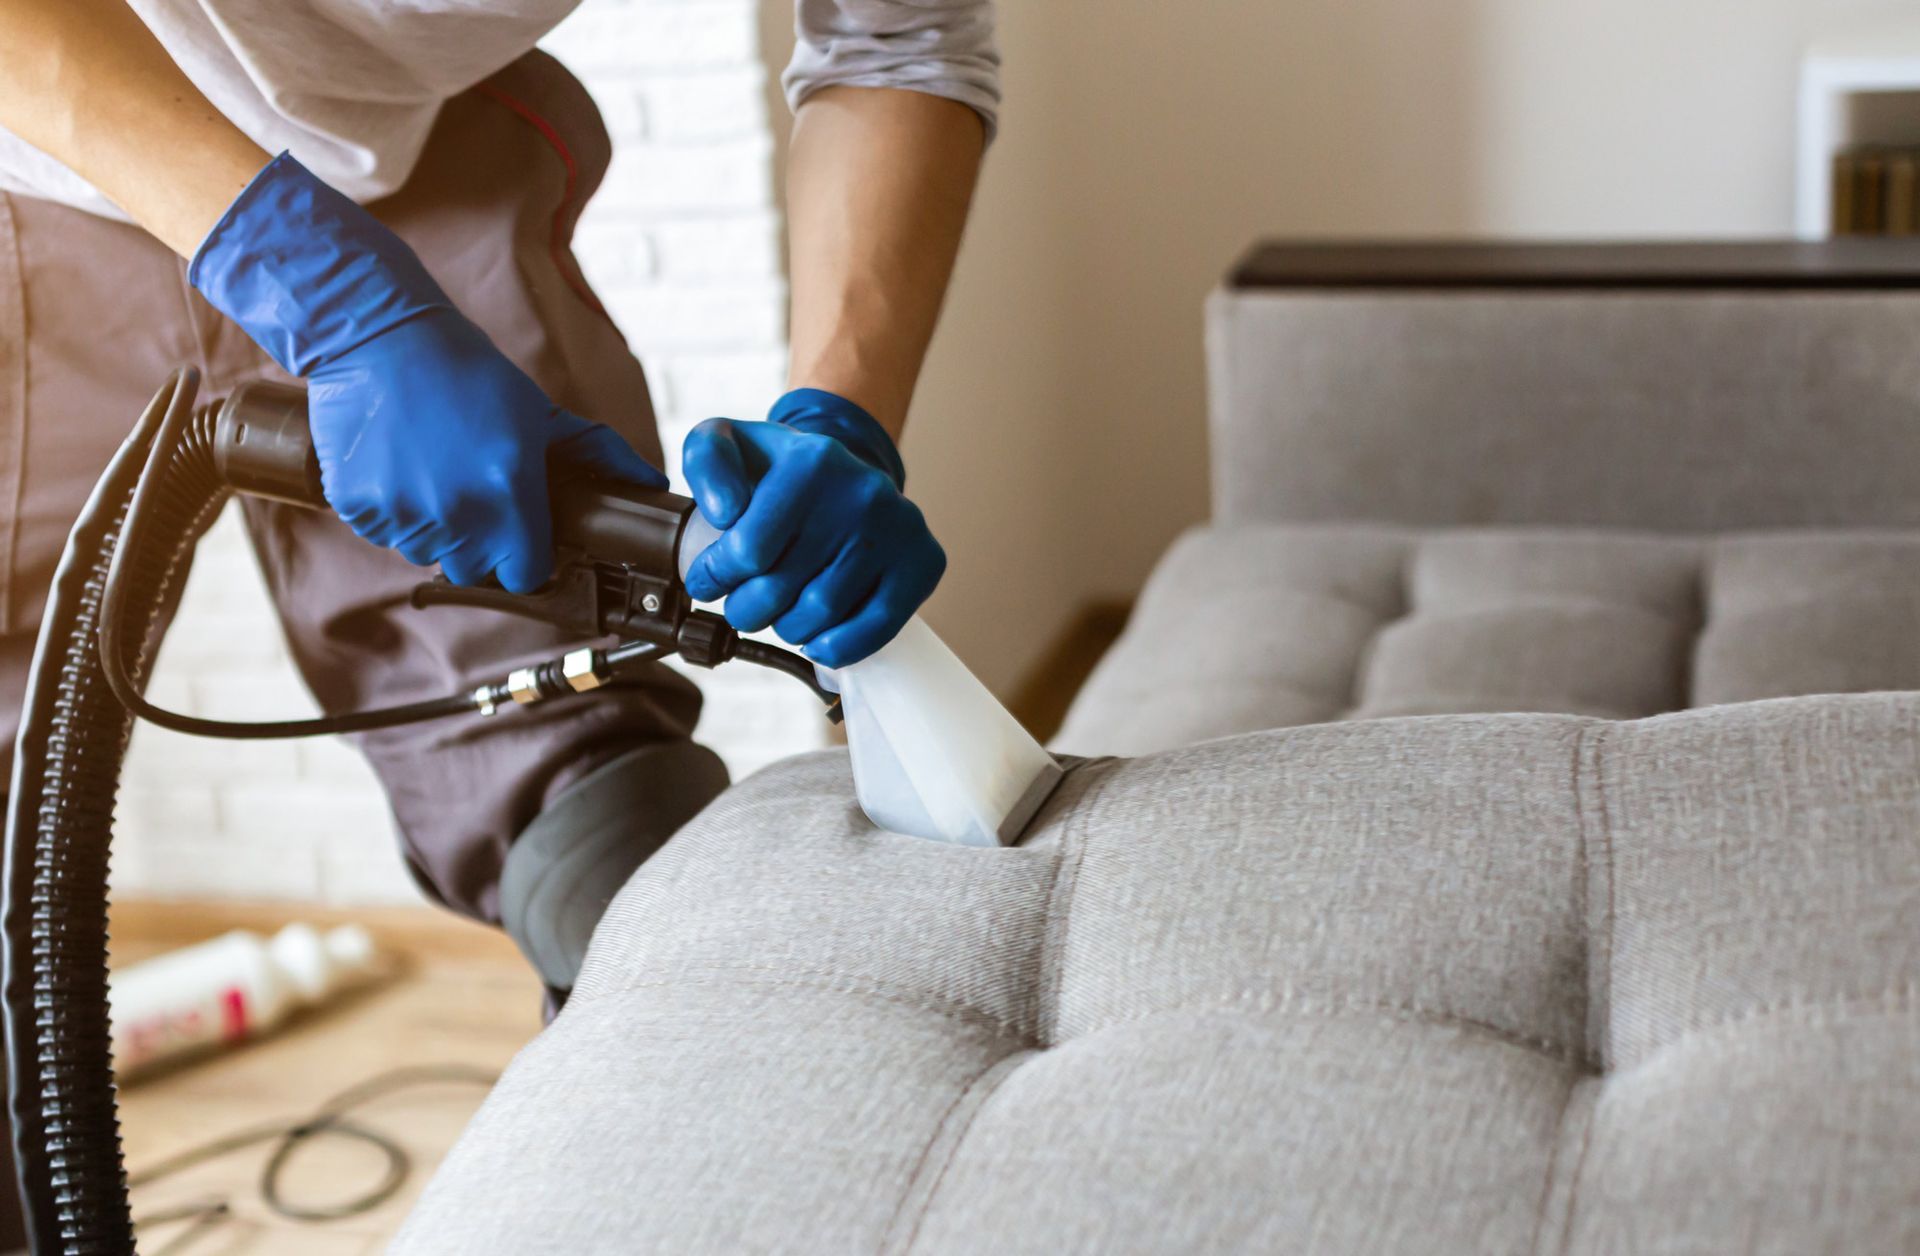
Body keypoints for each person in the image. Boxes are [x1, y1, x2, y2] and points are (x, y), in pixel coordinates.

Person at [0, 1, 992, 1234]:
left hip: (404, 151)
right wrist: (312, 279)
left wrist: (842, 412)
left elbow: (896, 46)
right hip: (37, 152)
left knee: (599, 802)